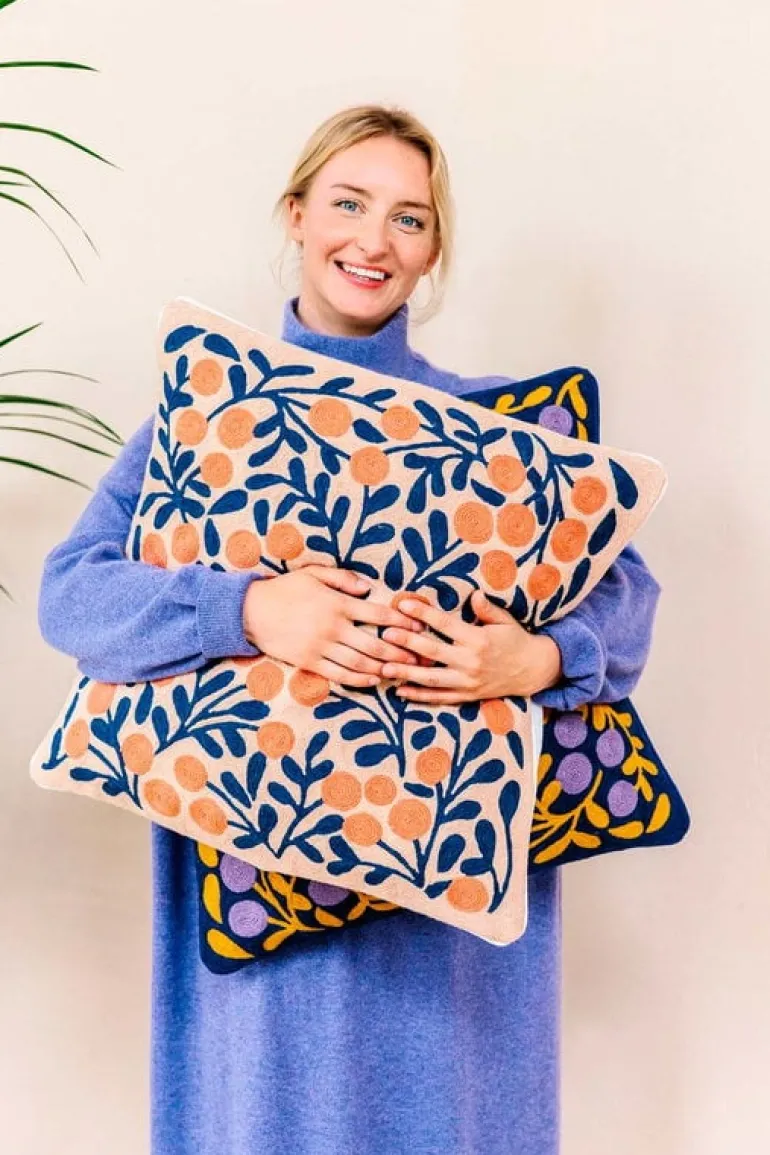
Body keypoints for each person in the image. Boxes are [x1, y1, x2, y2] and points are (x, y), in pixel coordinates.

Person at [38, 104, 661, 1155]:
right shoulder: (206, 419)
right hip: (259, 899)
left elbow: (627, 600)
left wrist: (536, 655)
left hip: (457, 931)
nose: (374, 240)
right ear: (295, 214)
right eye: (348, 203)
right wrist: (250, 607)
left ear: (433, 249)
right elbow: (73, 596)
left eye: (409, 218)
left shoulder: (504, 434)